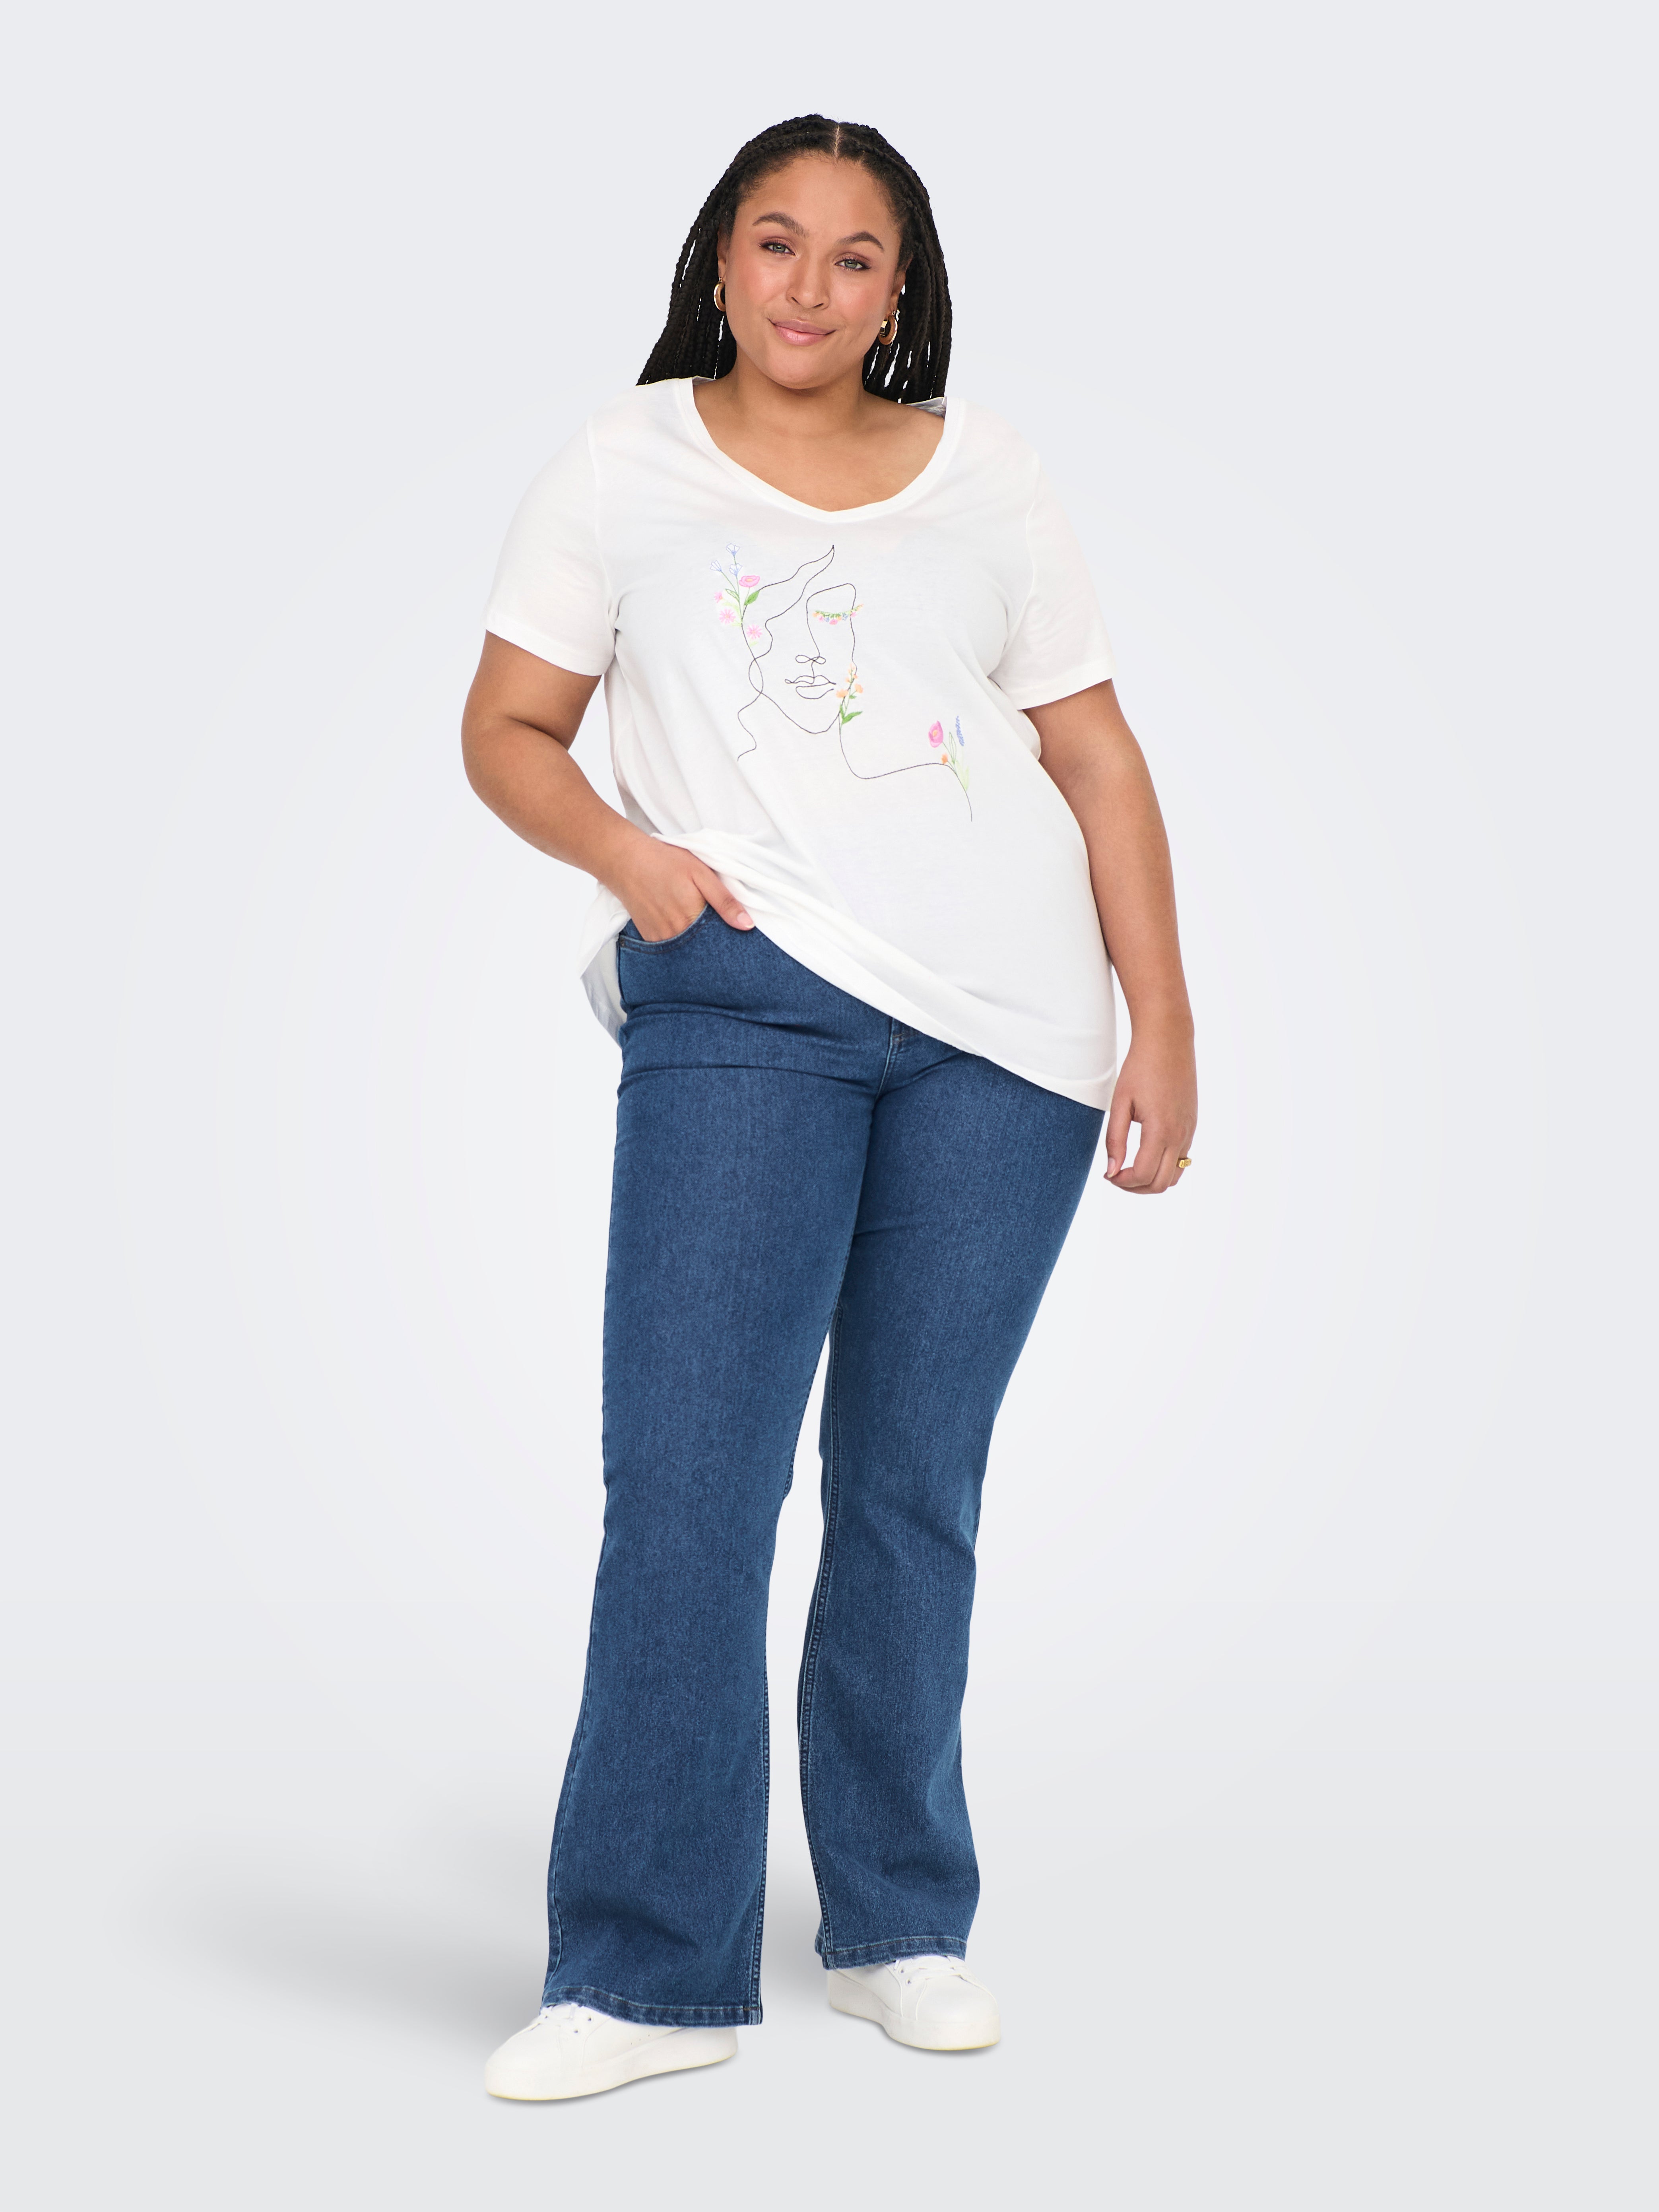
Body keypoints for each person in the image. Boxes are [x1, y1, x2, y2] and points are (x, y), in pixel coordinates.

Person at [462, 113, 1197, 2103]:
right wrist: (630, 860)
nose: (808, 283)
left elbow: (1096, 756)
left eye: (854, 256)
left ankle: (899, 1919)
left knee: (908, 1486)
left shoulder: (990, 473)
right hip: (746, 999)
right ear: (721, 259)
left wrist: (1165, 1018)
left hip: (1010, 1040)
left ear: (899, 291)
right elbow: (507, 728)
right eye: (774, 241)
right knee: (689, 1484)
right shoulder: (621, 466)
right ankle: (646, 1972)